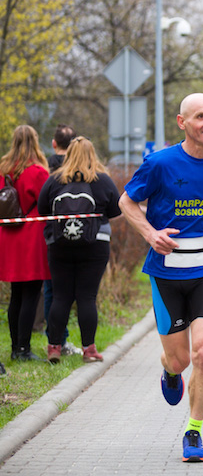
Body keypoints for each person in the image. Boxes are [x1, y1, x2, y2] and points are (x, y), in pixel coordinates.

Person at [118, 93, 203, 463]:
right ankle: (169, 371)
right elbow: (126, 202)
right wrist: (150, 234)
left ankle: (193, 431)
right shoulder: (159, 163)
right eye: (201, 116)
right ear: (182, 122)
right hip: (166, 272)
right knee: (179, 361)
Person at [38, 137, 121, 363]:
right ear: (92, 154)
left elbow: (42, 209)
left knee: (61, 296)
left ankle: (54, 347)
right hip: (95, 246)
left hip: (59, 245)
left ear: (69, 154)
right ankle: (89, 350)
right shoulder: (102, 180)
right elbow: (115, 210)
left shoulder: (55, 179)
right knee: (87, 297)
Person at [0, 125, 51, 366]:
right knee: (31, 293)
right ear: (35, 141)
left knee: (16, 294)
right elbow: (46, 202)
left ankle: (14, 348)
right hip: (31, 236)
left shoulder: (3, 169)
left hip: (9, 235)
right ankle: (23, 348)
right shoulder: (37, 171)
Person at [44, 123, 82, 356]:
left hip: (51, 236)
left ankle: (55, 340)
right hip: (80, 237)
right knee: (76, 293)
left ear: (54, 143)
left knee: (53, 292)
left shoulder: (46, 168)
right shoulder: (79, 168)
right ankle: (62, 341)